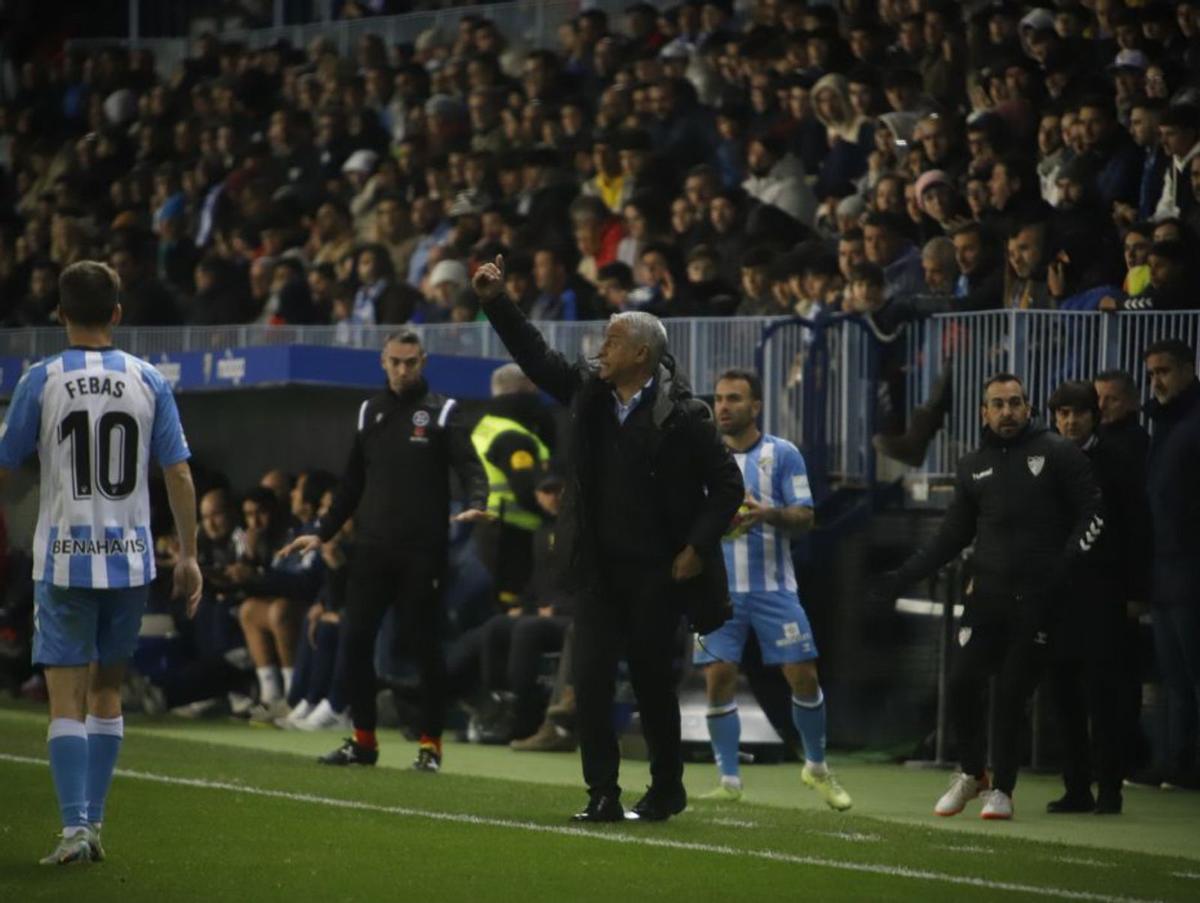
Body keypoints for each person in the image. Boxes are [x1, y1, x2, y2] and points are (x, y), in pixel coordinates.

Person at [472, 254, 743, 823]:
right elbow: (536, 357)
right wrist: (497, 301)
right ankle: (603, 793)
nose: (602, 348)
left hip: (657, 573)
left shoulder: (687, 415)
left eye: (614, 341)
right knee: (591, 684)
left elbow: (727, 487)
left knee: (651, 685)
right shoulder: (588, 393)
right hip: (597, 570)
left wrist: (696, 548)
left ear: (641, 355)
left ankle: (667, 788)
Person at [0, 260, 201, 864]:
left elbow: (6, 465)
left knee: (66, 699)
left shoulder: (42, 379)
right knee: (108, 694)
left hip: (63, 560)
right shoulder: (148, 379)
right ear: (117, 313)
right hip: (130, 560)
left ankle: (73, 828)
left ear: (59, 315)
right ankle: (95, 822)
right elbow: (180, 472)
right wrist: (188, 554)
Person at [873, 373, 1101, 820]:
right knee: (961, 683)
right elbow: (951, 537)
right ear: (984, 413)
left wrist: (1063, 567)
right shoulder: (972, 465)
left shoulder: (1057, 452)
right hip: (987, 596)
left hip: (1039, 600)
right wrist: (901, 577)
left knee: (1012, 693)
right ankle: (973, 773)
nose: (1007, 412)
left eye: (1015, 402)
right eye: (997, 404)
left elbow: (1094, 513)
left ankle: (1003, 790)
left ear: (1028, 408)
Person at [280, 331, 489, 772]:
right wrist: (323, 530)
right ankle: (363, 742)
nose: (402, 370)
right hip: (372, 549)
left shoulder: (442, 411)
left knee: (423, 646)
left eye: (410, 362)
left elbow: (470, 466)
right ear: (382, 361)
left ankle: (430, 746)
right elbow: (352, 483)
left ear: (423, 362)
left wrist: (477, 502)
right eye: (395, 362)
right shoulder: (368, 412)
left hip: (422, 552)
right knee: (355, 643)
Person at [693, 369, 852, 811]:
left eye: (734, 399)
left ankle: (816, 767)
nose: (723, 407)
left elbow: (806, 517)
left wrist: (766, 513)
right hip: (718, 590)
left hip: (774, 589)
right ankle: (728, 779)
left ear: (756, 406)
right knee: (718, 679)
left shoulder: (782, 455)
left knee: (803, 675)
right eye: (720, 399)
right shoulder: (702, 457)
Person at [1044, 381, 1148, 815]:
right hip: (1056, 598)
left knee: (1106, 698)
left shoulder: (1118, 462)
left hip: (1104, 596)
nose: (1070, 421)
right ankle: (1076, 788)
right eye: (1063, 413)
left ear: (1094, 416)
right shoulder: (1043, 462)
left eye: (1079, 413)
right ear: (1054, 417)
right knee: (1063, 697)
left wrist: (1136, 592)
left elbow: (1138, 530)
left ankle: (1110, 789)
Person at [1142, 339, 1200, 789]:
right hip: (1165, 572)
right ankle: (1176, 764)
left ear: (1187, 369)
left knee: (1190, 677)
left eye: (1164, 371)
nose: (1157, 381)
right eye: (1151, 373)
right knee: (1173, 679)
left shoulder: (1190, 425)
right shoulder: (1164, 424)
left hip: (1189, 572)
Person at [469, 363, 553, 611]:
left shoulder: (486, 426)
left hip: (490, 529)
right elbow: (527, 490)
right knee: (514, 611)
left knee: (499, 610)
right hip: (513, 536)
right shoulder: (514, 437)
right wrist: (559, 517)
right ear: (522, 392)